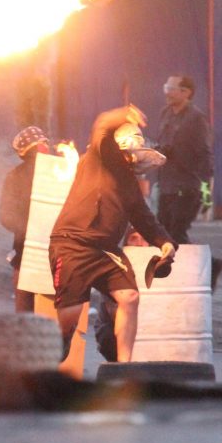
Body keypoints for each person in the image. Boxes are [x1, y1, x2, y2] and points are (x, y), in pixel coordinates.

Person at [49, 105, 176, 363]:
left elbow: (143, 217)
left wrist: (165, 243)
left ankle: (124, 365)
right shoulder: (98, 157)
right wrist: (124, 114)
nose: (135, 160)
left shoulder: (129, 183)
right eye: (133, 153)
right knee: (70, 315)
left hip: (105, 251)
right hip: (72, 244)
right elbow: (102, 125)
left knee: (129, 296)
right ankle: (60, 339)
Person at [155, 74, 222, 289]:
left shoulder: (196, 119)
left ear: (186, 92)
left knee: (176, 233)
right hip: (167, 184)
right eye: (166, 87)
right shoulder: (166, 114)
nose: (167, 92)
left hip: (187, 186)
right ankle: (185, 274)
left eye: (172, 88)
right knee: (163, 234)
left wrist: (206, 190)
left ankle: (211, 265)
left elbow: (205, 153)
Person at [0, 126, 50, 313]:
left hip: (29, 249)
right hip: (37, 249)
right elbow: (6, 215)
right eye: (41, 145)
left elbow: (5, 217)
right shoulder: (60, 172)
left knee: (25, 307)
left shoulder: (58, 172)